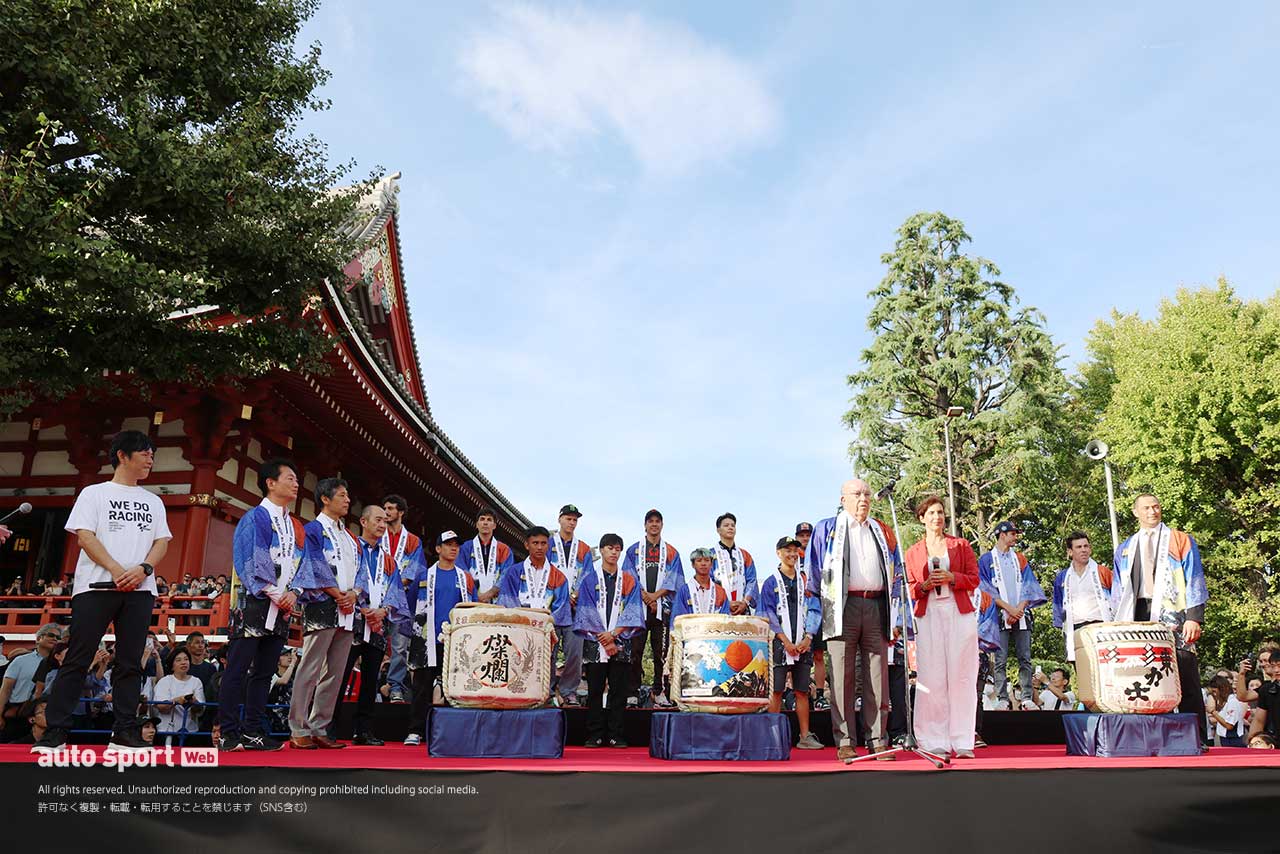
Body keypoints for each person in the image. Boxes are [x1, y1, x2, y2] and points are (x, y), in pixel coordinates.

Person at [32, 431, 171, 754]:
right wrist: (116, 569)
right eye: (145, 453)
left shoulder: (154, 500)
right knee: (77, 658)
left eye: (152, 453)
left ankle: (124, 730)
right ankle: (56, 731)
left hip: (139, 589)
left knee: (130, 662)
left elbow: (161, 542)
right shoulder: (94, 493)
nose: (150, 459)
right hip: (95, 587)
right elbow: (85, 537)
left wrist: (144, 569)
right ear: (122, 455)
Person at [217, 458, 312, 752]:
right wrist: (273, 592)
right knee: (238, 669)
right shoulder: (255, 517)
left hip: (282, 607)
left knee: (264, 671)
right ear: (271, 483)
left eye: (297, 479)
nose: (296, 483)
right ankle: (227, 732)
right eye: (290, 478)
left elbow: (304, 564)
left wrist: (294, 592)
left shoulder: (295, 525)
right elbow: (248, 559)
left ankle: (253, 731)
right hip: (255, 603)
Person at [805, 480, 903, 762]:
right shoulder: (828, 528)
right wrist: (819, 612)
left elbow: (895, 570)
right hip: (841, 605)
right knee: (842, 676)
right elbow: (813, 570)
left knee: (877, 676)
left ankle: (877, 739)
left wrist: (894, 611)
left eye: (867, 494)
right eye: (857, 494)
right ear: (843, 499)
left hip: (876, 604)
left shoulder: (880, 530)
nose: (863, 499)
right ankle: (845, 739)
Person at [1112, 493, 1209, 740]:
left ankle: (1196, 735)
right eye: (1146, 508)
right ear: (1136, 512)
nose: (1152, 512)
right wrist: (1115, 623)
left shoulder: (1180, 539)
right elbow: (1116, 589)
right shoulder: (1125, 547)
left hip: (1174, 612)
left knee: (1185, 670)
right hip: (1137, 613)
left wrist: (1194, 617)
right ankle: (1149, 734)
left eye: (1156, 506)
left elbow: (1194, 577)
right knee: (1143, 674)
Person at [904, 495, 981, 759]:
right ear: (922, 518)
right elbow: (911, 588)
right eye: (932, 513)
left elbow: (974, 579)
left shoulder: (960, 545)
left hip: (959, 611)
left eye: (940, 512)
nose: (937, 517)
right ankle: (932, 738)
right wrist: (925, 585)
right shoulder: (913, 552)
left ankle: (962, 739)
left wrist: (952, 577)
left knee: (962, 675)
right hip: (929, 613)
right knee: (932, 676)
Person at [289, 477, 359, 749]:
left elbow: (360, 569)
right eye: (342, 495)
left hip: (348, 608)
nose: (347, 500)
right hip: (321, 605)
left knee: (336, 672)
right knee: (310, 668)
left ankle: (320, 726)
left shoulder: (349, 536)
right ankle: (298, 727)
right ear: (325, 499)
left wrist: (354, 593)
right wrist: (336, 593)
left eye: (347, 495)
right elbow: (312, 564)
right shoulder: (313, 530)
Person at [334, 504, 409, 746]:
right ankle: (329, 726)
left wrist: (383, 610)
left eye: (385, 522)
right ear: (363, 522)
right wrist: (363, 607)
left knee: (370, 678)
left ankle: (364, 729)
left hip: (377, 625)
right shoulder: (351, 549)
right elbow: (345, 579)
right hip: (352, 620)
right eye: (377, 520)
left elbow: (395, 591)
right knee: (341, 673)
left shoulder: (388, 560)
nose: (381, 525)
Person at [403, 530, 476, 746]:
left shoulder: (465, 579)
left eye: (456, 545)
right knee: (421, 687)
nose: (453, 548)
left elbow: (471, 608)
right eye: (448, 544)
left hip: (455, 642)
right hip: (426, 640)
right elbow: (409, 605)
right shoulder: (424, 576)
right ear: (437, 549)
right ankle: (416, 731)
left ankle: (453, 733)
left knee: (456, 688)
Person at [574, 534, 644, 747]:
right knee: (594, 689)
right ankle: (594, 734)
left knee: (619, 690)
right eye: (609, 548)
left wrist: (614, 634)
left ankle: (616, 734)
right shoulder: (590, 579)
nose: (614, 552)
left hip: (622, 639)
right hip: (595, 642)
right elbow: (585, 611)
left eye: (617, 549)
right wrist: (604, 638)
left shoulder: (629, 580)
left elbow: (633, 610)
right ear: (602, 551)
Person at [760, 536, 823, 750]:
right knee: (776, 690)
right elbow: (766, 612)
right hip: (780, 643)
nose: (792, 554)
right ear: (778, 553)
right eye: (787, 551)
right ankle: (771, 737)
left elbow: (815, 609)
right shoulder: (770, 582)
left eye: (795, 551)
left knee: (802, 690)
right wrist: (784, 640)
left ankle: (805, 736)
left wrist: (809, 636)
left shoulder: (806, 581)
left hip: (803, 642)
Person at [979, 521, 1047, 711]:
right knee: (1000, 659)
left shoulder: (1020, 559)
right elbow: (986, 589)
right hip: (1000, 613)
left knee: (1024, 656)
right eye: (1012, 533)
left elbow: (1029, 584)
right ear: (1002, 534)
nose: (1015, 537)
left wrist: (1019, 609)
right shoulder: (986, 560)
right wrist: (1008, 608)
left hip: (1021, 613)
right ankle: (1002, 697)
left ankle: (1026, 697)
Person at [621, 509, 682, 708]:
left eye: (657, 521)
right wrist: (646, 597)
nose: (654, 524)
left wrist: (655, 597)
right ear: (645, 525)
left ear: (662, 525)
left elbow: (676, 579)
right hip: (638, 607)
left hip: (662, 608)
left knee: (661, 652)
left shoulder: (671, 552)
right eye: (650, 521)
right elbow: (628, 576)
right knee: (635, 651)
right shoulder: (633, 550)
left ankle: (660, 691)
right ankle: (632, 692)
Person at [548, 504, 593, 708]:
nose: (571, 523)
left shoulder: (583, 548)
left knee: (575, 651)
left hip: (575, 608)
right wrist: (559, 595)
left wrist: (575, 594)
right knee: (547, 650)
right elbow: (541, 571)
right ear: (560, 520)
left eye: (575, 520)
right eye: (568, 518)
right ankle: (546, 690)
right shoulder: (548, 544)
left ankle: (569, 691)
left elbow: (588, 576)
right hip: (552, 606)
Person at [381, 494, 423, 704]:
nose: (386, 512)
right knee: (373, 644)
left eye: (390, 508)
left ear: (401, 512)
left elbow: (414, 572)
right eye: (384, 508)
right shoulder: (378, 536)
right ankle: (374, 685)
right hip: (377, 599)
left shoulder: (414, 541)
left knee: (399, 646)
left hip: (402, 601)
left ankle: (395, 686)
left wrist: (393, 589)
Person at [1051, 531, 1114, 664]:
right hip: (1075, 627)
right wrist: (1059, 623)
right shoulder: (1062, 577)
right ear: (1070, 552)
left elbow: (1116, 597)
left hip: (1100, 625)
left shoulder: (1102, 572)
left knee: (1104, 667)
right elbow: (1058, 604)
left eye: (1086, 546)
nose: (1083, 550)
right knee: (1081, 669)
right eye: (1079, 547)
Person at [498, 526, 572, 632]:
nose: (540, 547)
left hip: (546, 630)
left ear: (548, 546)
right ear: (527, 545)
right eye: (535, 543)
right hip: (518, 627)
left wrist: (543, 623)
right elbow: (507, 601)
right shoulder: (514, 572)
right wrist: (524, 620)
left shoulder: (558, 576)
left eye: (543, 543)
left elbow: (560, 610)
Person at [1, 624, 61, 743]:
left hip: (46, 718)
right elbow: (5, 690)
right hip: (18, 715)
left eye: (58, 637)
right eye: (51, 635)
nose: (55, 638)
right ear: (39, 639)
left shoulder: (60, 664)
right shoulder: (21, 661)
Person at [794, 521, 829, 710]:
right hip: (797, 613)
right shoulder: (791, 556)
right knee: (795, 654)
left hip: (817, 609)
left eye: (808, 535)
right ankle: (797, 692)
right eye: (802, 536)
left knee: (818, 654)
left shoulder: (819, 555)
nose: (805, 539)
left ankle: (821, 694)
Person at [457, 507, 514, 605]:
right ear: (477, 524)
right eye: (482, 519)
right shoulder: (465, 548)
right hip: (470, 598)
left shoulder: (504, 550)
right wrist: (476, 594)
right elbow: (461, 571)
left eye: (489, 520)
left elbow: (506, 574)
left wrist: (490, 593)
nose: (485, 522)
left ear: (494, 525)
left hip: (496, 602)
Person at [152, 649, 206, 739]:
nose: (183, 662)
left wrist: (194, 702)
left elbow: (200, 710)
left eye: (186, 659)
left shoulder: (196, 682)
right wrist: (177, 700)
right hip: (167, 731)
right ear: (172, 666)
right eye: (178, 660)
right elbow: (161, 707)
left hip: (190, 732)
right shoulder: (165, 681)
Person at [710, 513, 758, 615]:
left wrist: (745, 602)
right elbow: (707, 582)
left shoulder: (745, 555)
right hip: (719, 608)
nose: (730, 528)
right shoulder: (710, 555)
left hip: (742, 608)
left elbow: (752, 580)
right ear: (718, 530)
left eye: (733, 525)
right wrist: (725, 603)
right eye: (726, 525)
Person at [669, 548, 731, 618]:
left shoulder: (720, 591)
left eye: (707, 560)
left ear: (711, 564)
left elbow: (725, 617)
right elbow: (678, 618)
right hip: (690, 628)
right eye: (699, 560)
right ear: (693, 565)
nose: (703, 564)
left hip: (715, 628)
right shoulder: (684, 591)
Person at [1239, 643, 1279, 742]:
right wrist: (1252, 742)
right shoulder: (1266, 689)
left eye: (1266, 661)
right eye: (1261, 661)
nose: (1263, 664)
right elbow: (1242, 696)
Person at [1205, 673, 1245, 747]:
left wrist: (1213, 713)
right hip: (1224, 738)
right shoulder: (1224, 702)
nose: (1214, 694)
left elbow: (1229, 725)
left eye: (1215, 692)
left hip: (1233, 740)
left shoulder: (1232, 702)